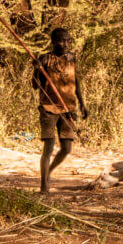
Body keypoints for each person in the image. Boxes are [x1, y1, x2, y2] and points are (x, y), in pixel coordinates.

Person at [33, 27, 87, 193]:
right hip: (49, 107)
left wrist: (82, 104)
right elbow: (35, 85)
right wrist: (36, 69)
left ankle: (48, 172)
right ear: (53, 42)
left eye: (68, 40)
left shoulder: (72, 58)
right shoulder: (45, 59)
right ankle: (44, 186)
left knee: (67, 148)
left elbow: (75, 82)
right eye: (61, 40)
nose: (65, 44)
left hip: (68, 108)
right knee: (48, 147)